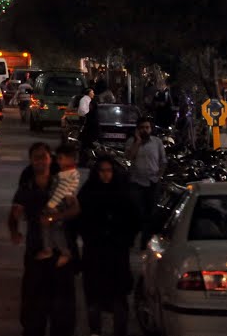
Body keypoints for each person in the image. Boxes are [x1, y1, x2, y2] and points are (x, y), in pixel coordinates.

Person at [9, 142, 79, 336]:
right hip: (35, 252)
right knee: (34, 307)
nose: (40, 161)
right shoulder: (27, 186)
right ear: (31, 161)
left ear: (51, 159)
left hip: (60, 255)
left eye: (44, 157)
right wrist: (14, 229)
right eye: (36, 157)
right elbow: (15, 212)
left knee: (62, 308)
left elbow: (75, 209)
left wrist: (56, 217)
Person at [78, 155, 139, 336]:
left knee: (119, 297)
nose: (105, 175)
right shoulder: (89, 192)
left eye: (109, 171)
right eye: (102, 171)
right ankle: (95, 330)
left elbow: (134, 220)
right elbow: (80, 219)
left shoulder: (122, 193)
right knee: (94, 297)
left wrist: (122, 239)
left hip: (116, 254)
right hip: (95, 253)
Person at [35, 144, 80, 267]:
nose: (58, 161)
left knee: (55, 228)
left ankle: (63, 251)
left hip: (58, 207)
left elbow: (62, 192)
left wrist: (51, 205)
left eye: (61, 158)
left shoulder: (69, 174)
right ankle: (49, 249)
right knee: (47, 226)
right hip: (56, 205)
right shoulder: (64, 173)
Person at [126, 116, 166, 249]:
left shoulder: (157, 142)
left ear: (151, 129)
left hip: (152, 182)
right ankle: (132, 238)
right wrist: (137, 142)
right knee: (137, 212)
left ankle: (145, 242)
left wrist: (159, 175)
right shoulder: (132, 142)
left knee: (151, 213)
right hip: (136, 182)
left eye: (147, 127)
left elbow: (163, 161)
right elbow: (129, 157)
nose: (144, 130)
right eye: (142, 128)